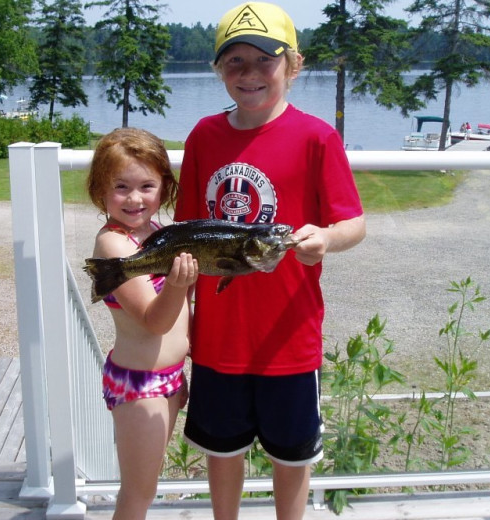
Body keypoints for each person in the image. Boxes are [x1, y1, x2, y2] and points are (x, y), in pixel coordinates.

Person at [174, 3, 366, 519]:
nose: (250, 73)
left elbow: (354, 223)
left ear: (294, 65)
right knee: (222, 451)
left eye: (266, 59)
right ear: (218, 71)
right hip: (218, 339)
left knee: (292, 456)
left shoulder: (316, 137)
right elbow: (185, 235)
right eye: (234, 61)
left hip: (290, 338)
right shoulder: (203, 137)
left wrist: (326, 238)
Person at [87, 127, 199, 520]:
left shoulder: (157, 233)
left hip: (168, 377)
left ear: (164, 188)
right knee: (139, 492)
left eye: (147, 186)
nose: (135, 199)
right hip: (139, 386)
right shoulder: (114, 245)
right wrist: (177, 283)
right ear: (100, 190)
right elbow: (155, 320)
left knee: (147, 486)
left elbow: (183, 312)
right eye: (121, 187)